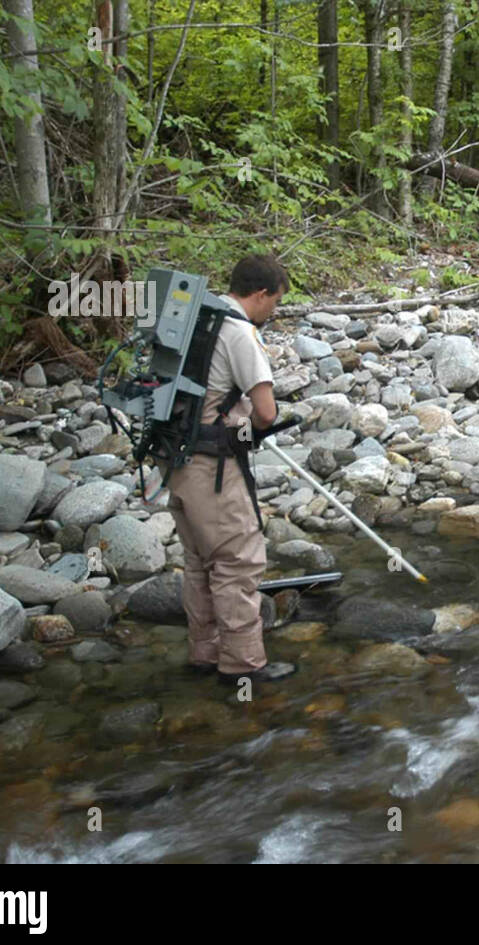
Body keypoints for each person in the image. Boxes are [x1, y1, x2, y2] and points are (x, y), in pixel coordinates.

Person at [165, 254, 297, 683]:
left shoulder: (196, 318)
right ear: (259, 294)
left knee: (200, 562)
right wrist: (245, 432)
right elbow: (265, 412)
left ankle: (204, 656)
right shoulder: (239, 331)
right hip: (213, 470)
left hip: (177, 461)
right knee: (238, 562)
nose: (273, 312)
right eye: (274, 303)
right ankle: (242, 668)